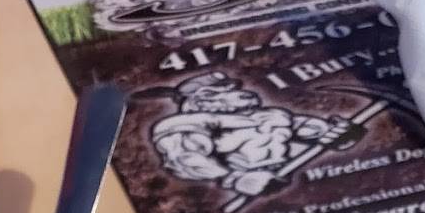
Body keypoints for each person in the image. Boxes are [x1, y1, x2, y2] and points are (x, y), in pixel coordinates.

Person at [151, 71, 363, 199]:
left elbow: (303, 127)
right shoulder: (188, 125)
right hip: (252, 185)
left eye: (232, 88)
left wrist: (335, 133)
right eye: (226, 90)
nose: (240, 92)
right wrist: (235, 179)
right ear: (203, 98)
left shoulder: (270, 115)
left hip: (296, 179)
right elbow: (185, 159)